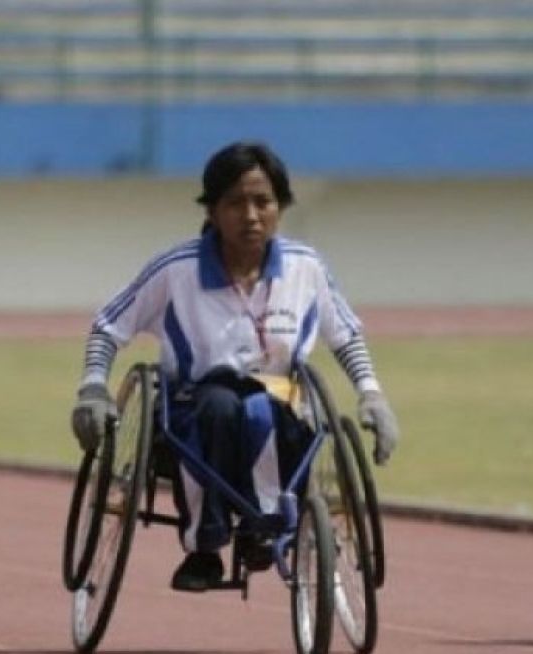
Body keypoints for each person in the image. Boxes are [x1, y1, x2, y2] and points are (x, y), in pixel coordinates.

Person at [71, 141, 399, 591]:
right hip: (195, 407)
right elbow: (108, 327)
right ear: (212, 211)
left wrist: (372, 395)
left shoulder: (307, 267)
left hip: (283, 404)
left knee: (269, 413)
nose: (250, 215)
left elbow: (344, 334)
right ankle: (205, 546)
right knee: (225, 407)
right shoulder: (177, 270)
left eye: (263, 202)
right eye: (235, 203)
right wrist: (93, 388)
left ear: (280, 207)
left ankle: (266, 527)